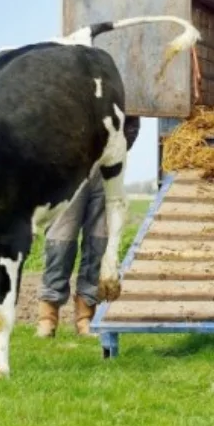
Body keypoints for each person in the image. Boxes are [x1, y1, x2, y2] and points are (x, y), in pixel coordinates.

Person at [36, 117, 141, 337]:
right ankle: (48, 317)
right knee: (60, 240)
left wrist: (118, 150)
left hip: (107, 168)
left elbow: (132, 120)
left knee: (98, 242)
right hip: (70, 166)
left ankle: (85, 316)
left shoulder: (120, 84)